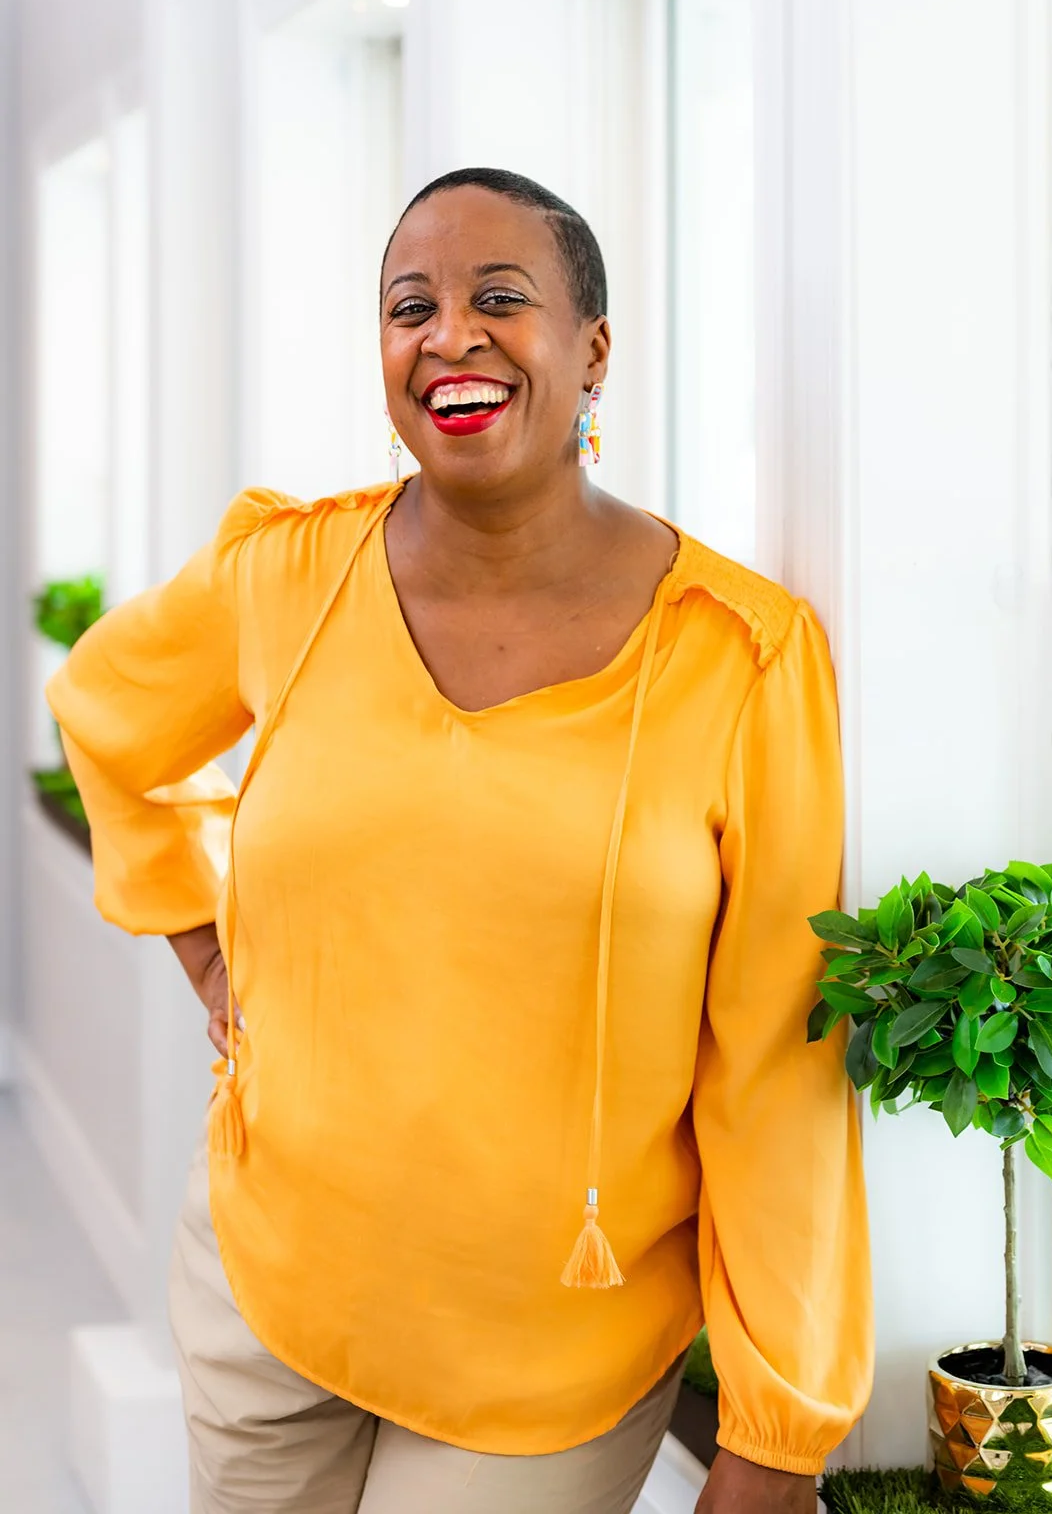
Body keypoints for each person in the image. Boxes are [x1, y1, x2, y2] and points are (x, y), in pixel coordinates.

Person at [48, 168, 874, 1514]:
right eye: (408, 306)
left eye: (502, 299)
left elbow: (776, 1067)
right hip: (268, 1289)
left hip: (550, 1354)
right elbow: (105, 713)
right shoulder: (286, 578)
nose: (449, 337)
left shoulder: (739, 657)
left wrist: (775, 1432)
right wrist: (197, 941)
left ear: (593, 350)